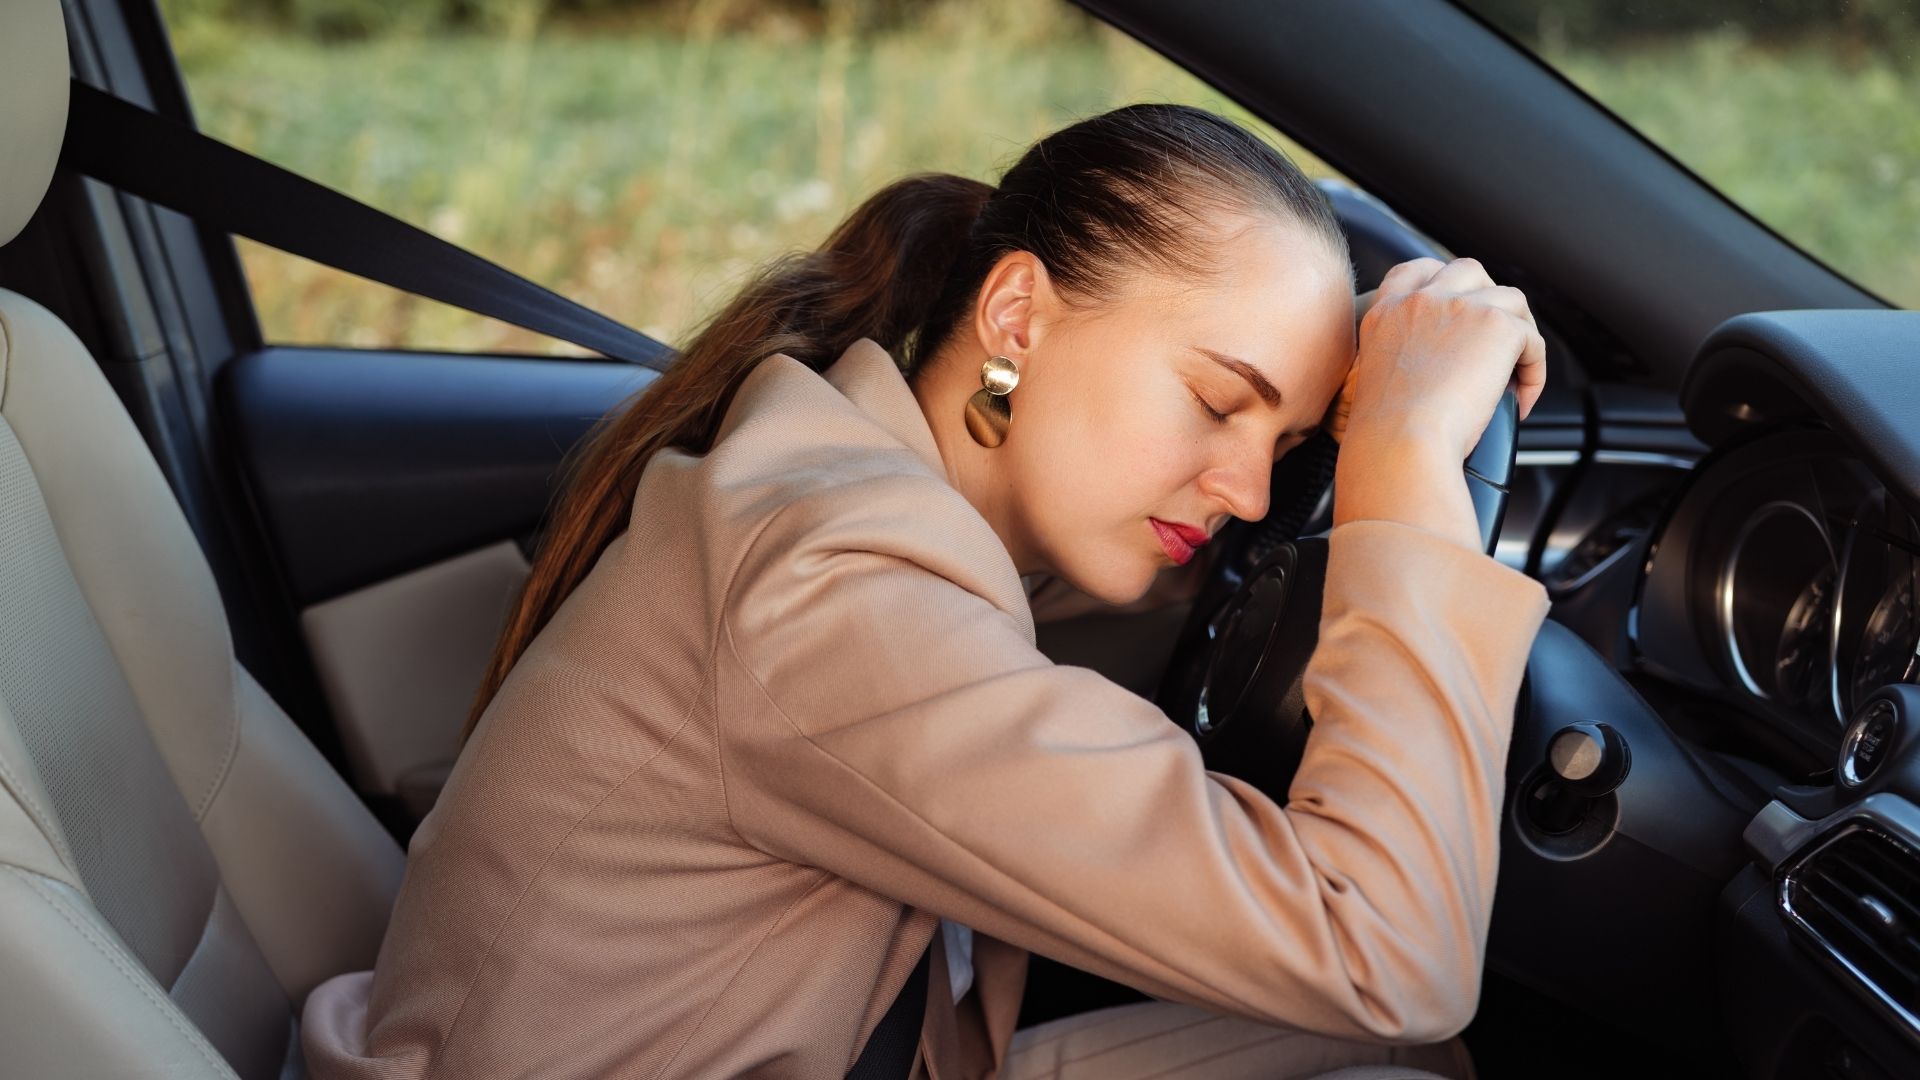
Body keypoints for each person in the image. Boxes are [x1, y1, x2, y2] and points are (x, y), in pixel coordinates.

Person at [301, 102, 1549, 1080]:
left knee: (1396, 1059)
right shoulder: (838, 596)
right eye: (1219, 401)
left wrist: (1361, 374)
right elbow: (1388, 949)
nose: (1250, 490)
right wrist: (1401, 467)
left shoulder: (847, 499)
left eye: (1283, 445)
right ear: (1017, 315)